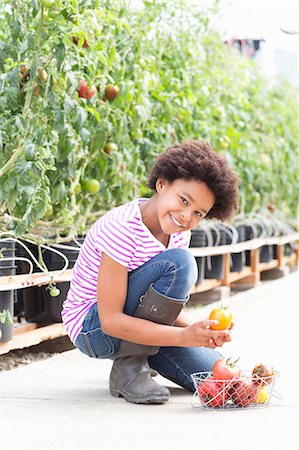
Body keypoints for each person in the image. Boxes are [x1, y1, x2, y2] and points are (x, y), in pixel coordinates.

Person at [61, 140, 239, 405]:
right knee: (180, 263)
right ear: (162, 183)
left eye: (198, 212)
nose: (185, 216)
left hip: (132, 322)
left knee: (218, 379)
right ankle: (129, 368)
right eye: (183, 200)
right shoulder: (121, 228)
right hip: (94, 329)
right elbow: (110, 320)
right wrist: (181, 336)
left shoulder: (179, 233)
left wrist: (196, 329)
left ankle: (139, 359)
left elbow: (161, 303)